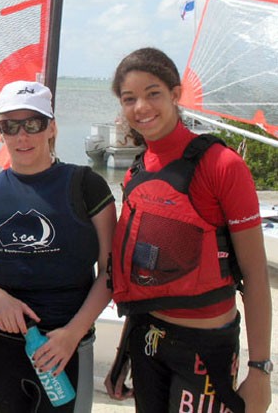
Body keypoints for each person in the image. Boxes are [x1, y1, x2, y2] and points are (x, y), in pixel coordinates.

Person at [104, 47, 272, 413]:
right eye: (129, 99)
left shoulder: (222, 165)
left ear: (176, 95)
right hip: (147, 341)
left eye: (153, 94)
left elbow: (256, 274)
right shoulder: (136, 174)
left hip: (204, 346)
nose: (141, 108)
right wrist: (123, 357)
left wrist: (260, 369)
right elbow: (142, 281)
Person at [0, 80, 117, 412]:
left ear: (51, 128)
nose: (22, 136)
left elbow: (110, 273)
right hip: (2, 346)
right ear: (0, 131)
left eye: (33, 124)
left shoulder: (87, 187)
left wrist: (73, 334)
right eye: (10, 126)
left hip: (68, 345)